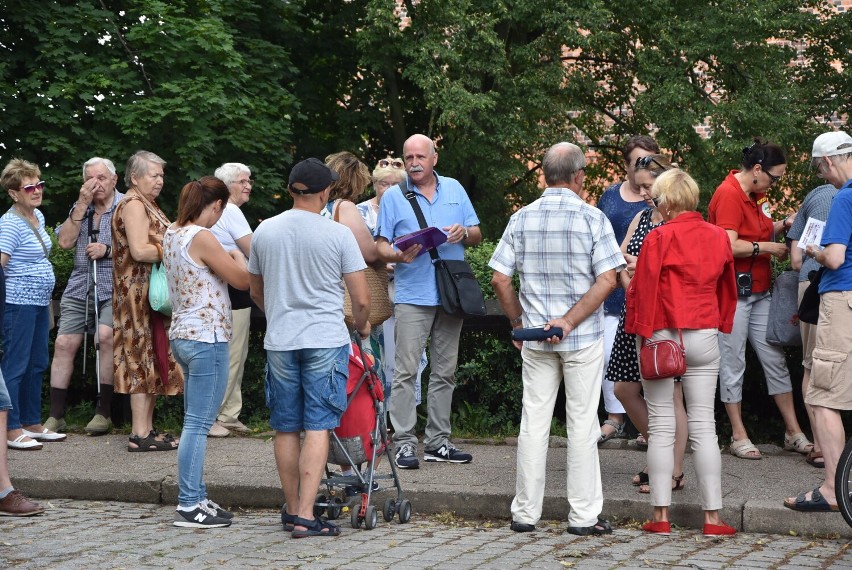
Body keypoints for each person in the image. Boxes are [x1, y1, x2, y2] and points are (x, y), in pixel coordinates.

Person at [490, 142, 625, 535]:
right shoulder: (592, 218)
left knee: (533, 422)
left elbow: (500, 277)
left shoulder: (521, 217)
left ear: (545, 175)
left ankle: (525, 514)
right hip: (581, 337)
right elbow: (608, 280)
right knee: (582, 424)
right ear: (579, 176)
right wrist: (567, 321)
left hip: (534, 337)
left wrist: (518, 322)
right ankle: (583, 518)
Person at [249, 157, 370, 538]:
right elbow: (361, 298)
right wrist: (359, 325)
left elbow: (255, 289)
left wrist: (279, 313)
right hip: (324, 338)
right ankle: (305, 515)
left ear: (290, 190)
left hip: (281, 339)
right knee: (318, 425)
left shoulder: (265, 231)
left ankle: (291, 508)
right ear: (326, 193)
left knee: (286, 427)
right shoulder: (337, 235)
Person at [625, 168, 738, 537]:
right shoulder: (718, 237)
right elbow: (727, 289)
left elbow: (641, 291)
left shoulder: (659, 237)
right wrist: (720, 324)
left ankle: (660, 516)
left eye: (657, 200)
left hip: (662, 335)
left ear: (669, 202)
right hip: (704, 332)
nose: (654, 206)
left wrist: (639, 334)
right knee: (705, 426)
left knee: (660, 428)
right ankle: (713, 520)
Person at [376, 134, 482, 469]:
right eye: (408, 158)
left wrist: (463, 233)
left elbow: (478, 232)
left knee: (445, 371)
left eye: (420, 156)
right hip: (412, 293)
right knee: (406, 371)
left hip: (449, 293)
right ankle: (405, 442)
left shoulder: (454, 188)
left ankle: (438, 442)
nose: (414, 163)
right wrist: (397, 255)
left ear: (434, 158)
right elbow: (379, 245)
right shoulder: (394, 196)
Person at [708, 138, 811, 460]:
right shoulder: (728, 194)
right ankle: (738, 434)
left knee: (774, 358)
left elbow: (760, 230)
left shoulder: (756, 195)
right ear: (756, 170)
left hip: (759, 291)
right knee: (733, 362)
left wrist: (782, 225)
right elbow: (728, 245)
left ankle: (793, 432)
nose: (775, 184)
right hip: (733, 295)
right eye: (774, 177)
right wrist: (766, 248)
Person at [164, 176, 250, 528]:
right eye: (222, 209)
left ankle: (197, 495)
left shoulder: (172, 232)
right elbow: (242, 280)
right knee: (198, 425)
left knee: (193, 421)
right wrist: (234, 254)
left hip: (183, 334)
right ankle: (189, 504)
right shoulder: (203, 236)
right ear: (215, 205)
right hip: (207, 337)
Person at [605, 155, 688, 493]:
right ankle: (661, 455)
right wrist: (633, 280)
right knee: (624, 389)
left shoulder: (678, 223)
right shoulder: (641, 216)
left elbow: (678, 274)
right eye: (637, 186)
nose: (641, 193)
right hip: (634, 311)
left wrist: (642, 268)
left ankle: (673, 471)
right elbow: (618, 259)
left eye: (647, 187)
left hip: (664, 316)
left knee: (671, 398)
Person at [785, 130, 852, 513]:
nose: (823, 177)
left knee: (823, 396)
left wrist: (815, 249)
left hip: (843, 300)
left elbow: (837, 259)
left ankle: (832, 488)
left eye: (820, 170)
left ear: (827, 161)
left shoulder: (844, 197)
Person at [45, 157, 124, 435]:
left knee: (105, 338)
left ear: (114, 179)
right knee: (64, 342)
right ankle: (56, 415)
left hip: (115, 285)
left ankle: (103, 412)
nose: (95, 184)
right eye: (90, 179)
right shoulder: (81, 208)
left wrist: (109, 251)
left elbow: (144, 246)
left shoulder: (127, 207)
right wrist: (80, 204)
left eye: (101, 178)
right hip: (80, 284)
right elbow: (65, 243)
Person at [113, 150, 184, 452]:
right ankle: (139, 433)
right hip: (136, 297)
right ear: (134, 177)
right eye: (154, 175)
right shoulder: (132, 204)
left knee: (152, 356)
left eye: (161, 175)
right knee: (140, 357)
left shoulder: (145, 203)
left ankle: (147, 429)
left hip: (147, 295)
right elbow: (140, 251)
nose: (160, 180)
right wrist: (174, 248)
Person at [596, 135, 660, 444]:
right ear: (626, 165)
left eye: (650, 160)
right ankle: (615, 418)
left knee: (651, 363)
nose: (645, 168)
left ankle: (648, 427)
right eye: (640, 161)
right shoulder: (610, 196)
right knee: (612, 356)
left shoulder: (662, 200)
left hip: (650, 293)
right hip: (614, 288)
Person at [0, 159, 64, 450]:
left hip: (39, 302)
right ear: (14, 193)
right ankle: (11, 429)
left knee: (37, 362)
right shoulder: (10, 223)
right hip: (18, 303)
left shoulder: (36, 216)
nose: (37, 190)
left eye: (39, 184)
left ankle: (30, 422)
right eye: (29, 187)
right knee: (16, 365)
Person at [357, 158, 427, 411]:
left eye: (394, 184)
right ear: (374, 184)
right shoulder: (358, 212)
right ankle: (375, 413)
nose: (387, 189)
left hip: (405, 286)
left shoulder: (411, 208)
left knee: (405, 352)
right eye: (382, 183)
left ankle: (402, 415)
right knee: (375, 351)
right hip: (372, 287)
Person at [787, 180, 839, 469]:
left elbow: (797, 259)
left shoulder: (817, 196)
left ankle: (821, 445)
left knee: (813, 365)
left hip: (815, 283)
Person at [208, 162, 255, 437]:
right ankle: (222, 415)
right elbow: (254, 249)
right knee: (233, 354)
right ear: (226, 186)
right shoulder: (231, 209)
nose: (248, 185)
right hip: (234, 289)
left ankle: (228, 413)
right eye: (242, 181)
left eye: (249, 180)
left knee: (232, 353)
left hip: (219, 289)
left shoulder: (217, 211)